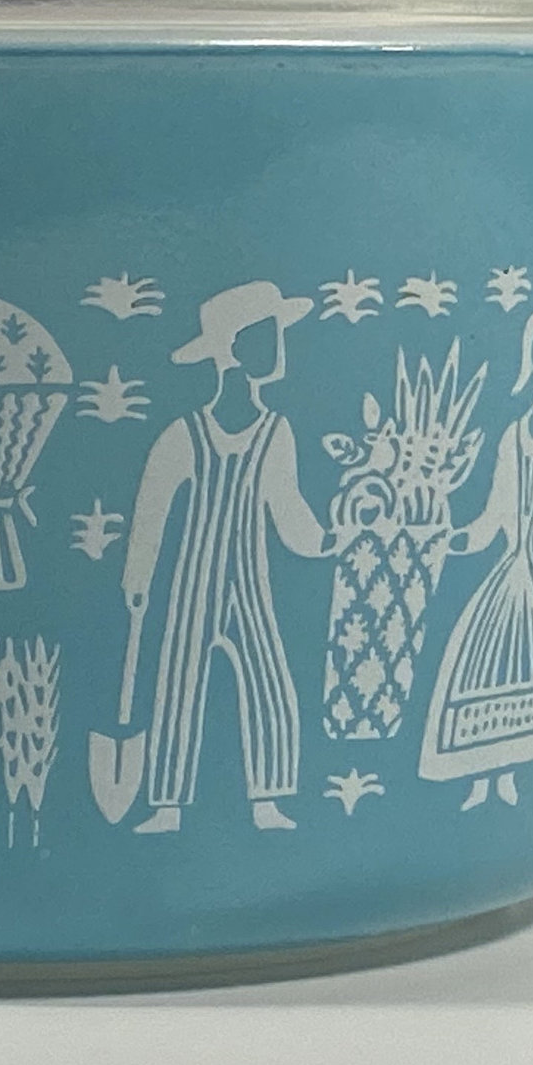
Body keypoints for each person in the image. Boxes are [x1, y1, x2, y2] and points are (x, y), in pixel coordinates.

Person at [122, 281, 330, 833]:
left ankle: (269, 800)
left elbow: (289, 510)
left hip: (248, 577)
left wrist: (327, 541)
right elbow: (152, 508)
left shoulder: (274, 432)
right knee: (178, 683)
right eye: (268, 334)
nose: (279, 345)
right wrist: (137, 576)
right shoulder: (185, 433)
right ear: (233, 347)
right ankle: (166, 804)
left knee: (270, 683)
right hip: (195, 576)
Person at [418, 286, 533, 802]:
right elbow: (493, 518)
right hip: (511, 566)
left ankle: (504, 776)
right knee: (485, 663)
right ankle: (481, 778)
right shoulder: (515, 434)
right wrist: (453, 539)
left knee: (524, 665)